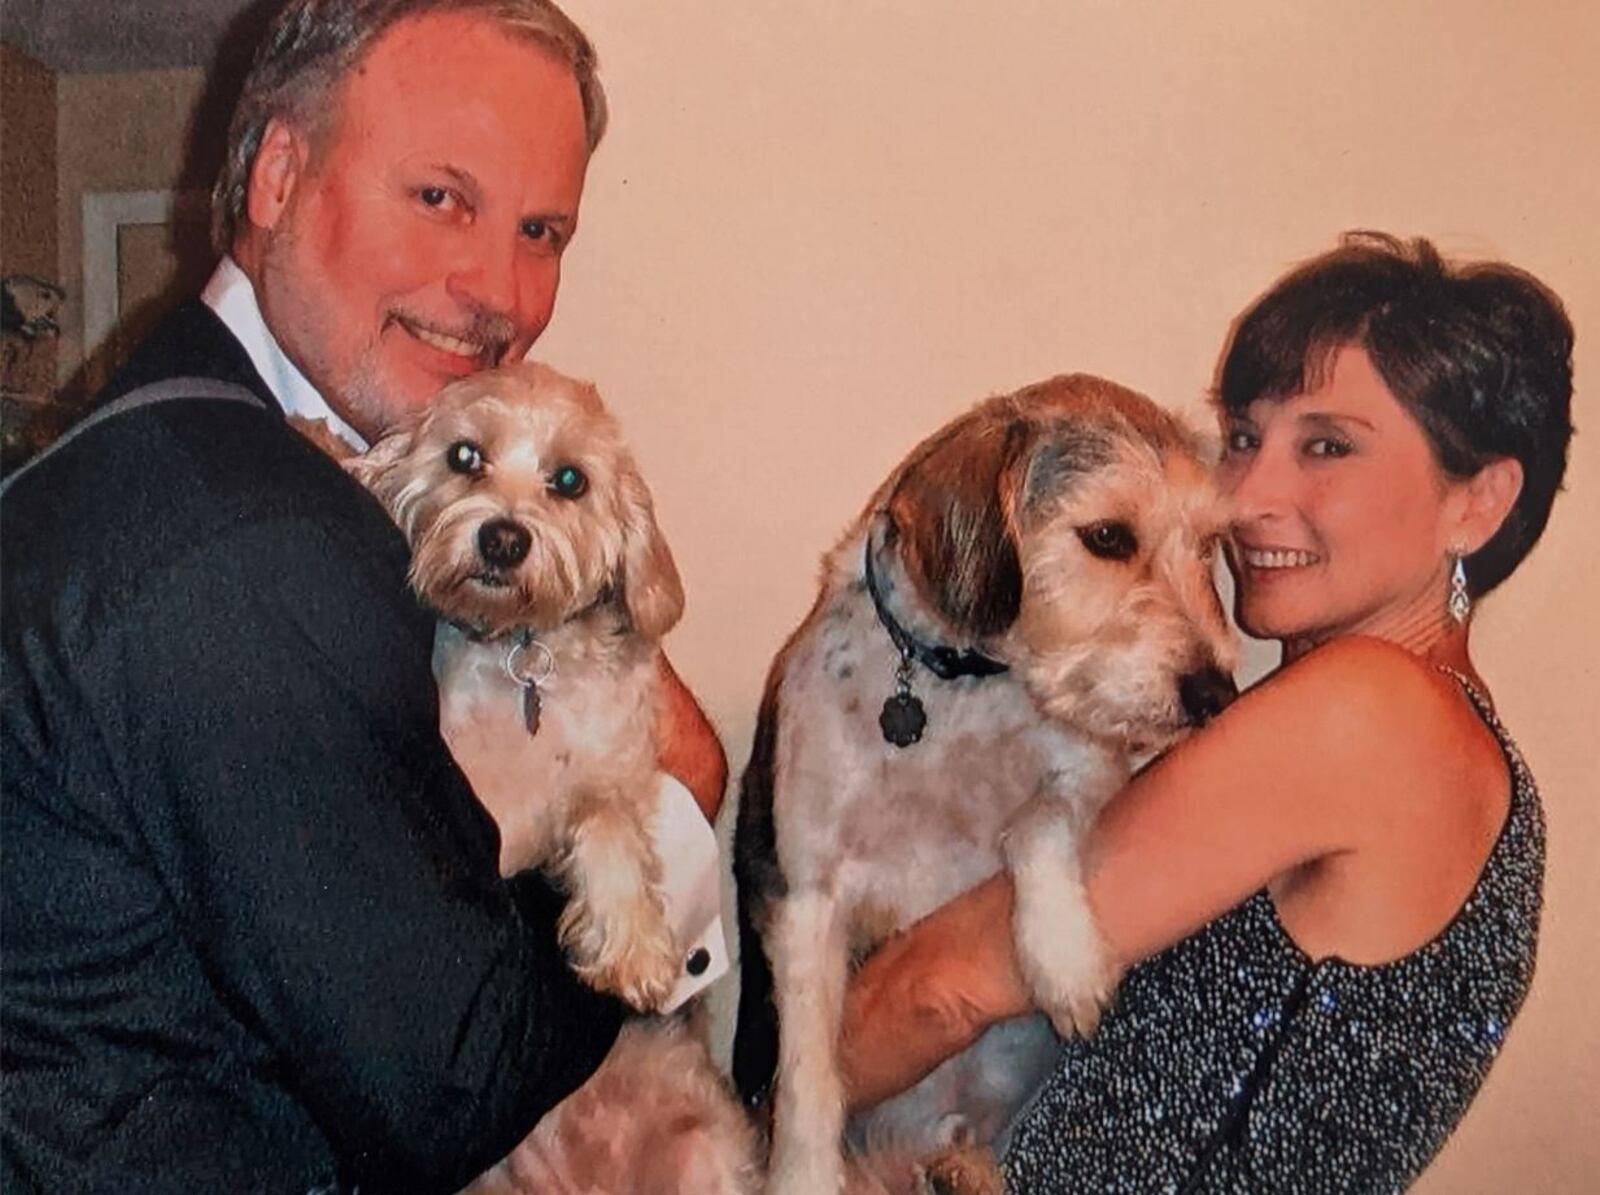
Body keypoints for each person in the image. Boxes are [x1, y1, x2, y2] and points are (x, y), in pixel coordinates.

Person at [1, 1, 726, 1192]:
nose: (497, 287)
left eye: (541, 228)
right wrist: (681, 803)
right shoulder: (246, 539)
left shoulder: (183, 444)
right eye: (441, 197)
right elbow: (449, 1079)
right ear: (279, 175)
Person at [832, 232, 1574, 1191]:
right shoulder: (1460, 750)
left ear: (1477, 502)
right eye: (1243, 437)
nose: (1244, 495)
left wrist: (747, 1137)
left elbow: (941, 985)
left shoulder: (1368, 713)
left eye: (1326, 446)